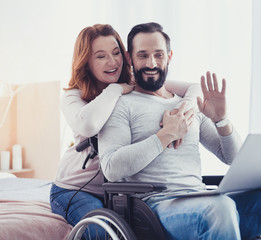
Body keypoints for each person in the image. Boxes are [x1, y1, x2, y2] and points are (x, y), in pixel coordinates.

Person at [98, 22, 261, 240]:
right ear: (129, 58)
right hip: (157, 208)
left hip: (200, 199)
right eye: (142, 55)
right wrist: (165, 135)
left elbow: (232, 157)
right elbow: (112, 167)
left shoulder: (188, 105)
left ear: (169, 57)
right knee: (220, 207)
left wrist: (221, 120)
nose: (151, 63)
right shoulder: (121, 105)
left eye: (158, 55)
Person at [49, 23, 200, 234]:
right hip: (75, 190)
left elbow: (194, 88)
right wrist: (115, 89)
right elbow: (89, 125)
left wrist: (187, 105)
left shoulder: (133, 84)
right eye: (100, 56)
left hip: (118, 191)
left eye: (116, 52)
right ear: (86, 62)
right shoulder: (74, 96)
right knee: (102, 231)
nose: (112, 62)